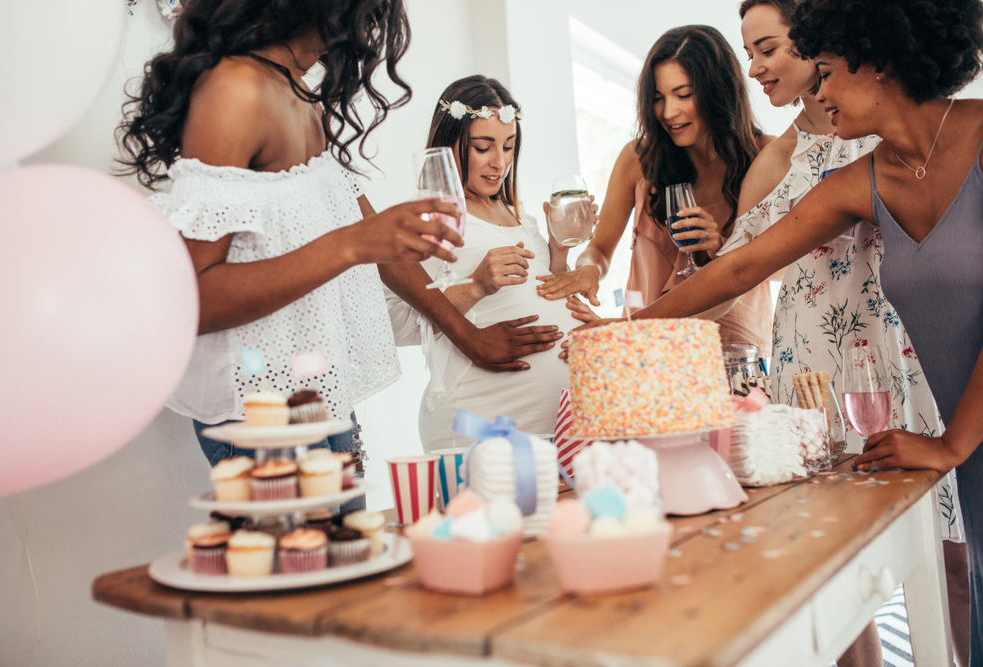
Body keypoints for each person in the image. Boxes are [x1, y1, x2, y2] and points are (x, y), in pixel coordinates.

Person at [614, 0, 983, 660]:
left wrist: (953, 441)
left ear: (882, 61)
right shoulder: (863, 179)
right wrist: (625, 330)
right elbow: (741, 268)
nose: (820, 88)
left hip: (965, 429)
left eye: (831, 71)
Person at [115, 0, 564, 468]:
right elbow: (194, 299)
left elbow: (382, 246)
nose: (377, 23)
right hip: (260, 405)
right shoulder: (236, 89)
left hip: (321, 392)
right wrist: (352, 245)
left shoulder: (304, 98)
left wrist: (468, 336)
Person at [735, 1, 970, 663]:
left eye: (772, 48)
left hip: (935, 391)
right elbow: (741, 264)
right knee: (848, 578)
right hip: (851, 389)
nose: (758, 68)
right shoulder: (817, 168)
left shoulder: (941, 129)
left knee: (959, 567)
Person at [536, 25, 774, 363]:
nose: (668, 112)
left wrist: (721, 247)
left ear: (717, 91)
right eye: (659, 98)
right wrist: (588, 268)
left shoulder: (767, 156)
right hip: (647, 349)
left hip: (732, 348)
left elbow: (783, 264)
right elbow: (600, 249)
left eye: (683, 94)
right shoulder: (638, 158)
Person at [386, 76, 598, 451]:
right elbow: (395, 327)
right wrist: (475, 286)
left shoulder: (520, 216)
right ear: (449, 142)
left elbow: (540, 296)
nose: (499, 162)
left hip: (560, 427)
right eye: (483, 147)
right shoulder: (429, 217)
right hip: (479, 424)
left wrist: (559, 252)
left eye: (509, 146)